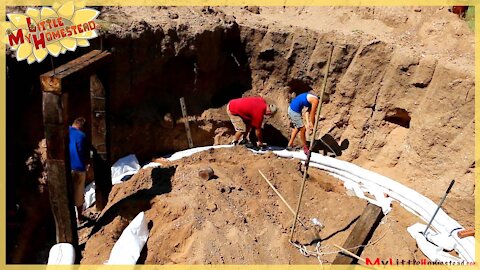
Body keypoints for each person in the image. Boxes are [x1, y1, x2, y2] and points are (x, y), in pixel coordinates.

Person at [69, 117, 88, 226]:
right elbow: (84, 154)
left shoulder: (66, 131)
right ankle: (79, 218)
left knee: (67, 194)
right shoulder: (82, 136)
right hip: (79, 169)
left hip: (65, 169)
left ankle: (68, 219)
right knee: (79, 194)